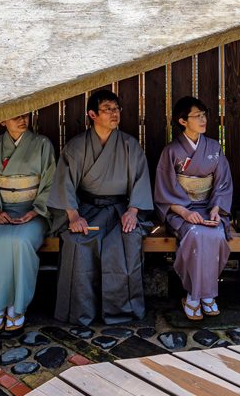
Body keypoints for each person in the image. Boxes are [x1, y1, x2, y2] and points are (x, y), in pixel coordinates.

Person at [47, 89, 153, 326]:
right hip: (87, 209)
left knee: (126, 241)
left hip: (119, 210)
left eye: (116, 109)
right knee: (76, 243)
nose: (114, 114)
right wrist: (73, 216)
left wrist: (133, 211)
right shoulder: (76, 147)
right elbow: (65, 183)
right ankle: (81, 311)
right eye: (108, 109)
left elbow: (140, 179)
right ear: (92, 114)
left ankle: (122, 311)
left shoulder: (129, 145)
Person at [0, 114, 56, 332]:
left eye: (25, 115)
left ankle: (17, 306)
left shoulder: (42, 145)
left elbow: (51, 181)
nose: (22, 120)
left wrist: (36, 211)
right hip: (1, 213)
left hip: (33, 215)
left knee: (20, 241)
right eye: (15, 116)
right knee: (0, 241)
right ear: (2, 121)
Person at [153, 96, 234, 320]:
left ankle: (205, 294)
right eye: (196, 116)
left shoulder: (214, 148)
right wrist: (186, 213)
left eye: (204, 115)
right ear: (182, 121)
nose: (202, 119)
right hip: (181, 211)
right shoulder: (171, 152)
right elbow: (164, 189)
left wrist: (217, 208)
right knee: (196, 234)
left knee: (216, 233)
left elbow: (223, 183)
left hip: (208, 207)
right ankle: (194, 295)